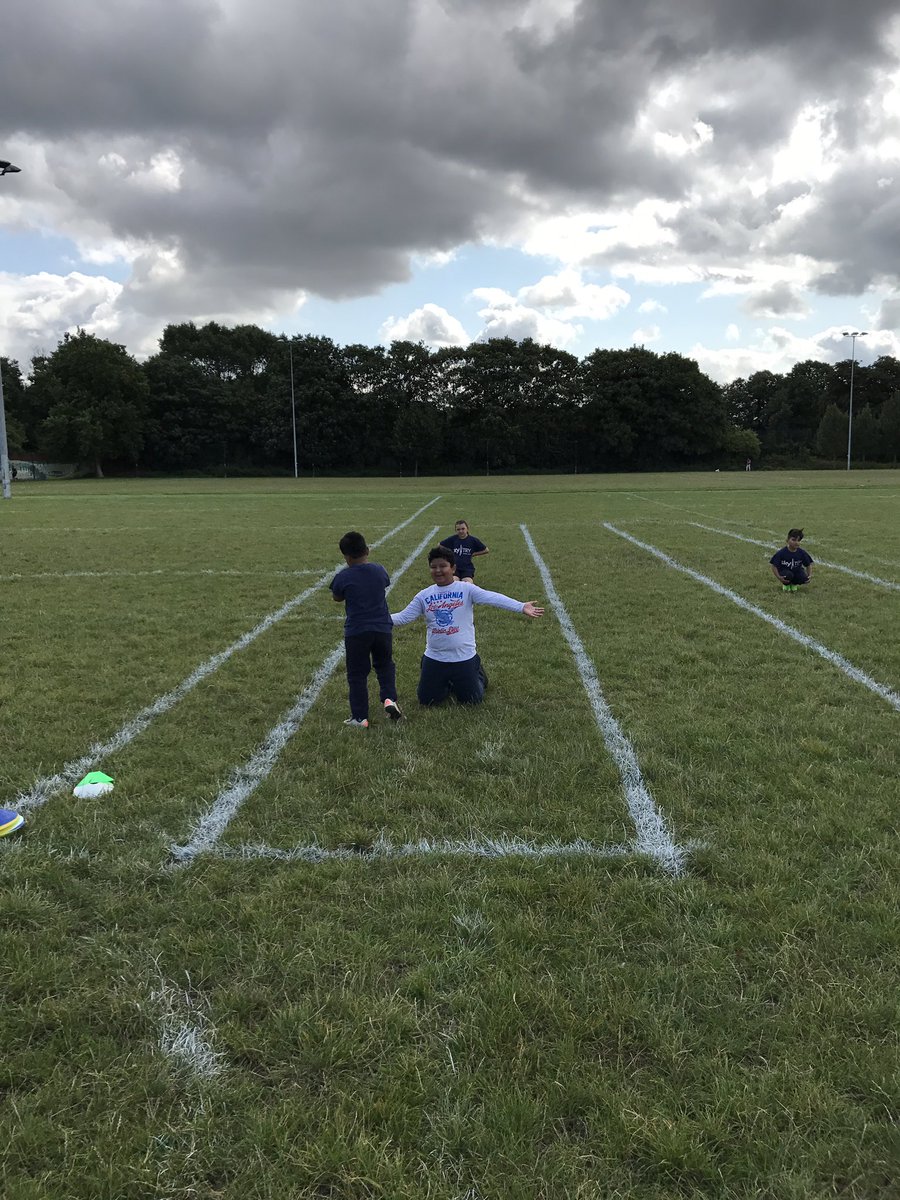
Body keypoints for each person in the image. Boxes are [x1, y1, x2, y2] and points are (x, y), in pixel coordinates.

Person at [390, 546, 544, 705]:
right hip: (435, 656)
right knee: (427, 700)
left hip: (463, 656)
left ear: (453, 568)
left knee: (472, 700)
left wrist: (520, 606)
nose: (438, 570)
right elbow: (403, 617)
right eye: (433, 567)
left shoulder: (466, 589)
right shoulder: (424, 595)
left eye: (443, 566)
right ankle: (443, 679)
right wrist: (371, 619)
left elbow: (492, 597)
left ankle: (477, 672)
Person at [330, 531, 403, 728]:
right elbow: (385, 583)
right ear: (367, 550)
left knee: (357, 674)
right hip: (382, 628)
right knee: (385, 664)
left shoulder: (343, 576)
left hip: (357, 631)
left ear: (345, 556)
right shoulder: (379, 570)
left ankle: (360, 717)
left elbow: (337, 596)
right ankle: (389, 698)